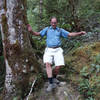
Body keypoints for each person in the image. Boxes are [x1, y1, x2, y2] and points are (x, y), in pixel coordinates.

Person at [27, 17, 86, 92]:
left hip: (58, 50)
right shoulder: (47, 29)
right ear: (50, 22)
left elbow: (69, 34)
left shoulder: (60, 30)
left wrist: (79, 33)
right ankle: (51, 83)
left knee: (58, 66)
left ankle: (54, 78)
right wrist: (31, 31)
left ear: (57, 23)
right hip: (49, 49)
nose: (53, 24)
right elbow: (38, 34)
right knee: (47, 64)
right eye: (52, 22)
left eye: (55, 22)